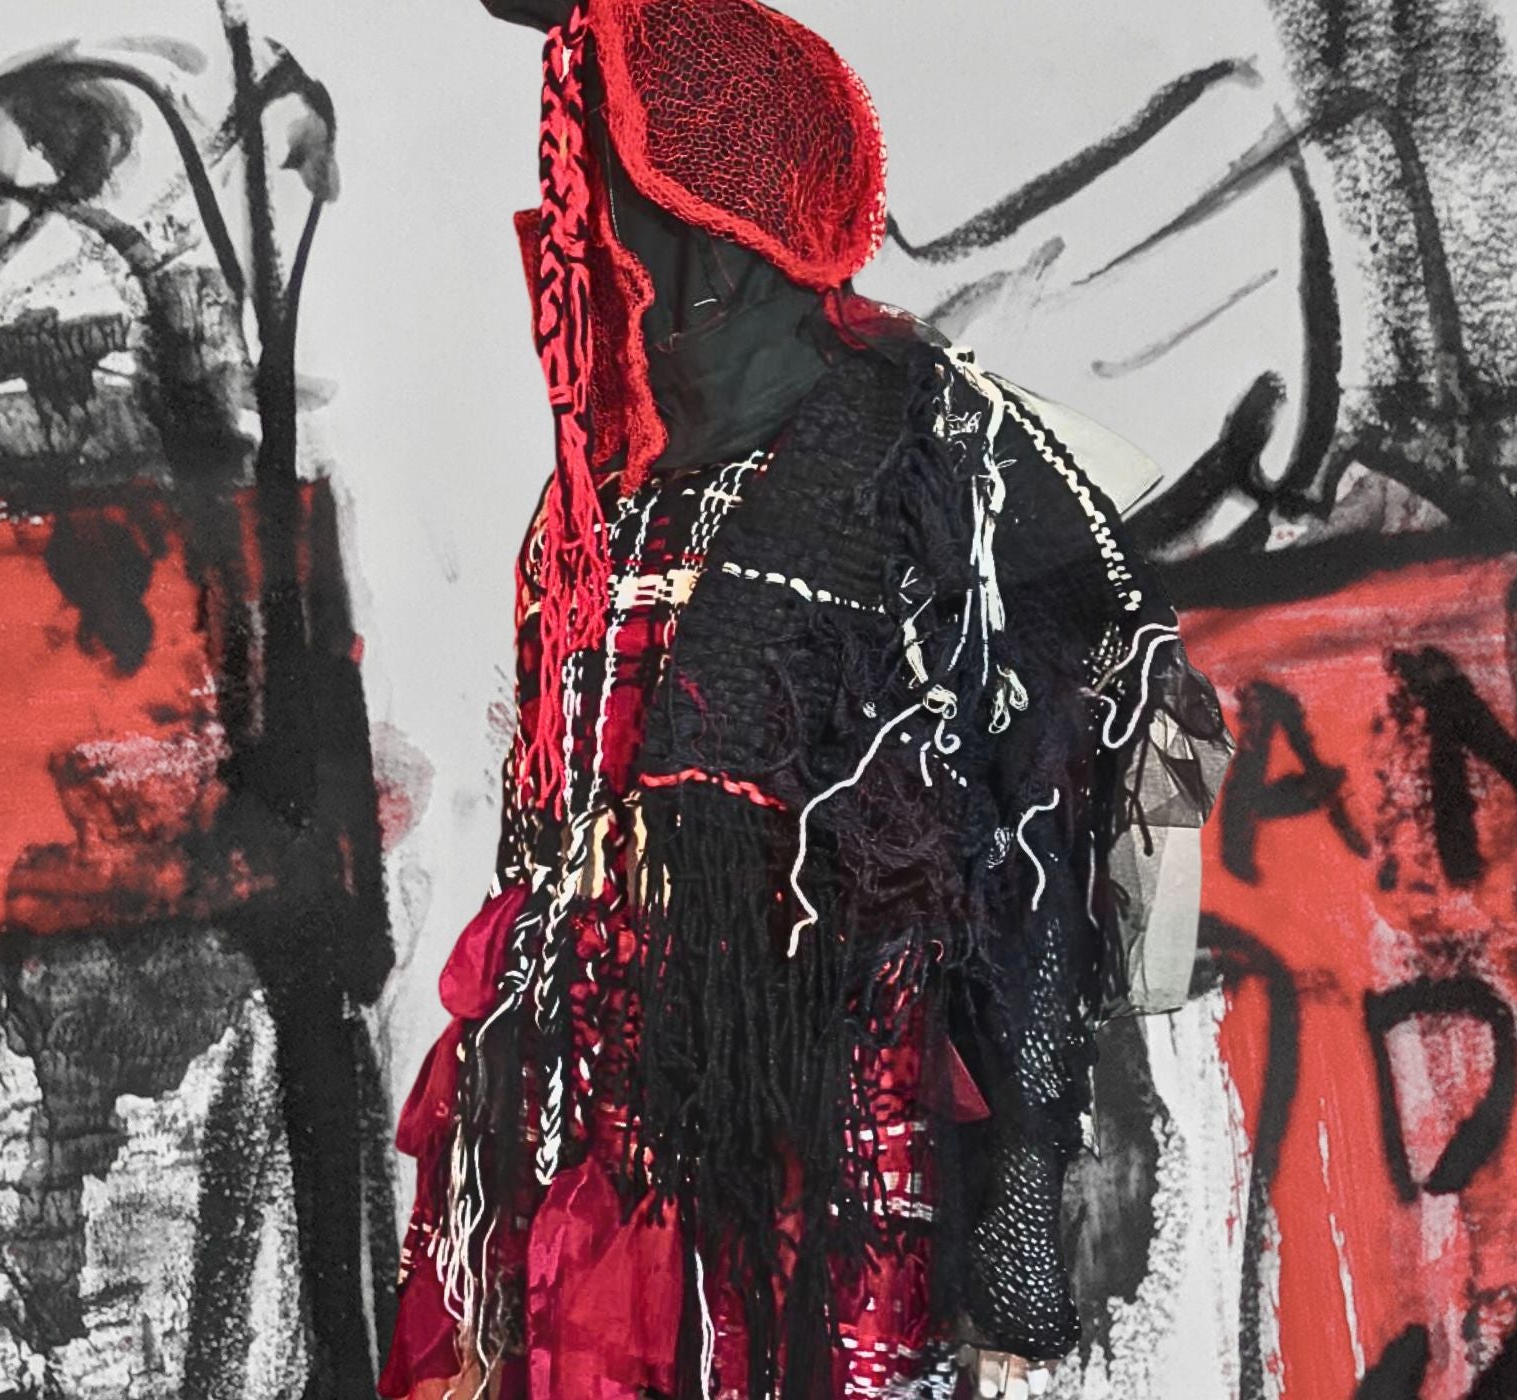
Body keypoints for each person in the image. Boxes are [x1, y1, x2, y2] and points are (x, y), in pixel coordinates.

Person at [382, 2, 1231, 1397]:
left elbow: (1058, 842)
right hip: (583, 1157)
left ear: (712, 229)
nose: (569, 234)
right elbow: (547, 831)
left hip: (824, 1180)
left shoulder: (939, 470)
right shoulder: (593, 505)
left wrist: (1021, 1209)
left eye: (599, 188)